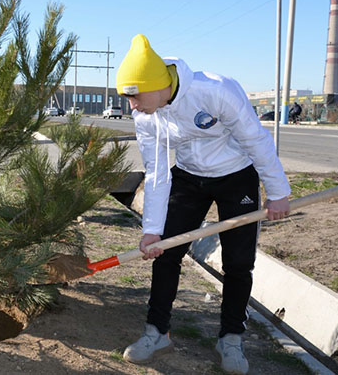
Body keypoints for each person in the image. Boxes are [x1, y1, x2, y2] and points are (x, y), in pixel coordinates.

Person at [115, 35, 291, 375]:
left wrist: (277, 191)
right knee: (165, 252)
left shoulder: (217, 91)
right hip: (188, 177)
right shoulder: (146, 116)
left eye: (134, 96)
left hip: (236, 175)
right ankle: (157, 332)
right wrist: (152, 231)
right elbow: (155, 173)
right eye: (127, 98)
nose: (132, 105)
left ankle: (231, 338)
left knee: (238, 263)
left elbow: (255, 139)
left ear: (158, 85)